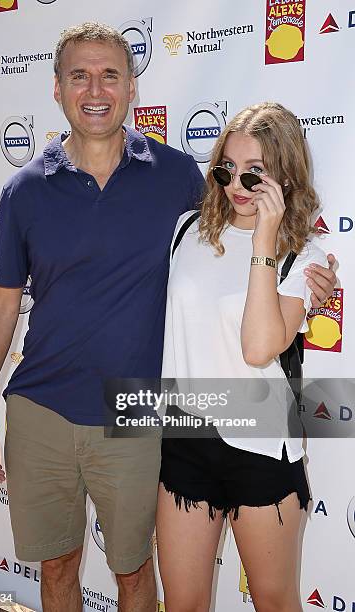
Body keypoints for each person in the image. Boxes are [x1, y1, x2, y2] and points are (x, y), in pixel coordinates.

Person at [0, 22, 335, 612]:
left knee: (137, 574)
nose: (95, 88)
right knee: (58, 565)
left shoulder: (175, 180)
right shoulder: (27, 192)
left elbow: (258, 271)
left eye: (110, 73)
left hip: (147, 418)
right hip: (50, 410)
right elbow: (4, 299)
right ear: (57, 89)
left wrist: (310, 271)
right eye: (79, 75)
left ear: (132, 87)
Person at [156, 102, 331, 612]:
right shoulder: (187, 232)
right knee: (182, 602)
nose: (237, 185)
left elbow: (258, 348)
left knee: (275, 602)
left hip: (260, 449)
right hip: (186, 438)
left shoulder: (305, 256)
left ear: (284, 175)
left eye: (255, 174)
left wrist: (265, 242)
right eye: (227, 169)